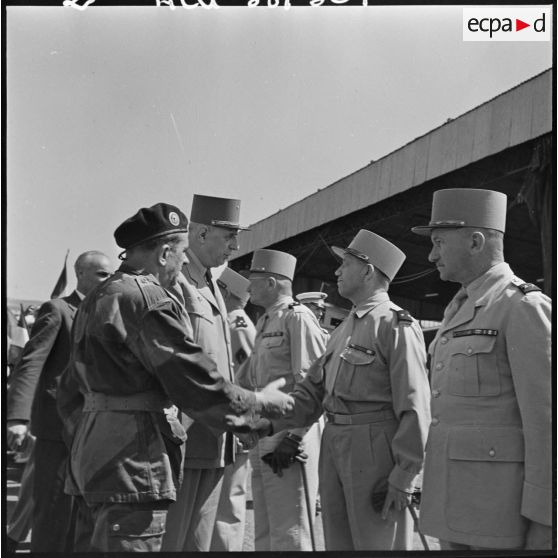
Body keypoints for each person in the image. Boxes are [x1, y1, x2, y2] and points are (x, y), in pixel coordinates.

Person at [56, 202, 293, 552]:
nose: (184, 262)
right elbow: (192, 381)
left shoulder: (98, 297)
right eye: (182, 253)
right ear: (165, 252)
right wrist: (258, 405)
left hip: (90, 457)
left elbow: (67, 392)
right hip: (134, 460)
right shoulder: (148, 298)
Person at [237, 230, 431, 551]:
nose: (337, 272)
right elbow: (312, 392)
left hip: (375, 447)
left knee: (377, 542)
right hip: (335, 444)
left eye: (346, 265)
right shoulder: (344, 330)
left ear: (368, 272)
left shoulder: (395, 325)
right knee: (338, 540)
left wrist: (403, 477)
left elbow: (415, 407)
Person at [411, 188, 552, 550]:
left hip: (501, 519)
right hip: (456, 508)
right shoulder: (459, 307)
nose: (431, 254)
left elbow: (546, 424)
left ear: (475, 242)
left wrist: (546, 520)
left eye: (439, 242)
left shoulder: (521, 307)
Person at [6, 250, 113, 552]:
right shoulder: (58, 309)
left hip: (93, 432)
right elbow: (31, 363)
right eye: (101, 275)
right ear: (80, 274)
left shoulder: (106, 313)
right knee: (52, 516)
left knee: (82, 521)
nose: (108, 280)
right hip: (57, 432)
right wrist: (17, 417)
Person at [162, 194, 251, 551]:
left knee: (198, 543)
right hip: (187, 434)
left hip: (213, 438)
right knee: (176, 541)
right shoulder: (178, 280)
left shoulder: (209, 281)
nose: (235, 245)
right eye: (227, 236)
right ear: (199, 234)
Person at [241, 249, 327, 551]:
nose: (248, 288)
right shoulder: (266, 320)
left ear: (272, 283)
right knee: (265, 528)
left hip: (288, 438)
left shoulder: (298, 318)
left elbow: (313, 383)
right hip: (265, 432)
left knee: (291, 531)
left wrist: (294, 438)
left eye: (254, 281)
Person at [210, 266, 256, 551]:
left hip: (235, 428)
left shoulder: (236, 322)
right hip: (226, 423)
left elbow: (250, 379)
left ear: (225, 291)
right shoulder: (230, 320)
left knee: (227, 506)